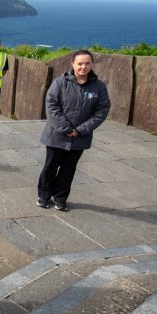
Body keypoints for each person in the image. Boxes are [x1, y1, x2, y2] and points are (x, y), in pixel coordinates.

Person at [37, 50, 110, 211]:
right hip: (56, 135)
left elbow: (102, 111)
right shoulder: (60, 83)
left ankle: (60, 198)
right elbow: (51, 106)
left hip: (80, 138)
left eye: (87, 63)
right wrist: (65, 128)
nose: (83, 67)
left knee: (68, 169)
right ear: (73, 64)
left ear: (92, 65)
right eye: (80, 63)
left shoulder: (99, 87)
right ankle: (44, 195)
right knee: (50, 166)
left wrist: (80, 130)